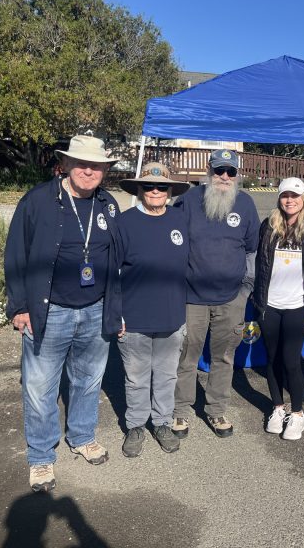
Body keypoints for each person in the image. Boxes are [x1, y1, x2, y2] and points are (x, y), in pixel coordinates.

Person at [4, 134, 122, 492]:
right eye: (82, 164)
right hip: (48, 310)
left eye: (97, 165)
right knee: (40, 387)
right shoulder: (38, 200)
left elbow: (117, 260)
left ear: (104, 170)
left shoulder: (108, 203)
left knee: (88, 381)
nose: (90, 171)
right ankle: (41, 456)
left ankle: (82, 436)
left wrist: (115, 309)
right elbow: (16, 255)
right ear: (67, 165)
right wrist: (20, 305)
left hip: (95, 309)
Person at [171, 149, 260, 439]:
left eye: (230, 172)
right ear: (209, 170)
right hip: (191, 297)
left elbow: (252, 251)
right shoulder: (187, 201)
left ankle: (216, 410)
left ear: (237, 175)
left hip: (231, 297)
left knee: (223, 357)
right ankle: (180, 411)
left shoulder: (245, 204)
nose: (224, 177)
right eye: (219, 170)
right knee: (186, 356)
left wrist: (246, 289)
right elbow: (171, 243)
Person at [116, 162, 191, 457]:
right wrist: (115, 313)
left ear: (170, 190)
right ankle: (135, 425)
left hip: (172, 316)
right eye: (149, 186)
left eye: (161, 186)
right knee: (136, 377)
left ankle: (161, 422)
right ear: (139, 189)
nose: (156, 191)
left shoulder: (180, 219)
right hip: (133, 317)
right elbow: (111, 271)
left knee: (166, 375)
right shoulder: (125, 223)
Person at [253, 177, 304, 440]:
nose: (289, 200)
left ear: (303, 198)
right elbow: (259, 262)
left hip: (297, 306)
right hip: (269, 305)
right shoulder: (268, 227)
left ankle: (297, 414)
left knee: (291, 361)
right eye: (285, 196)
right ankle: (278, 408)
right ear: (279, 199)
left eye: (295, 196)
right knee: (272, 359)